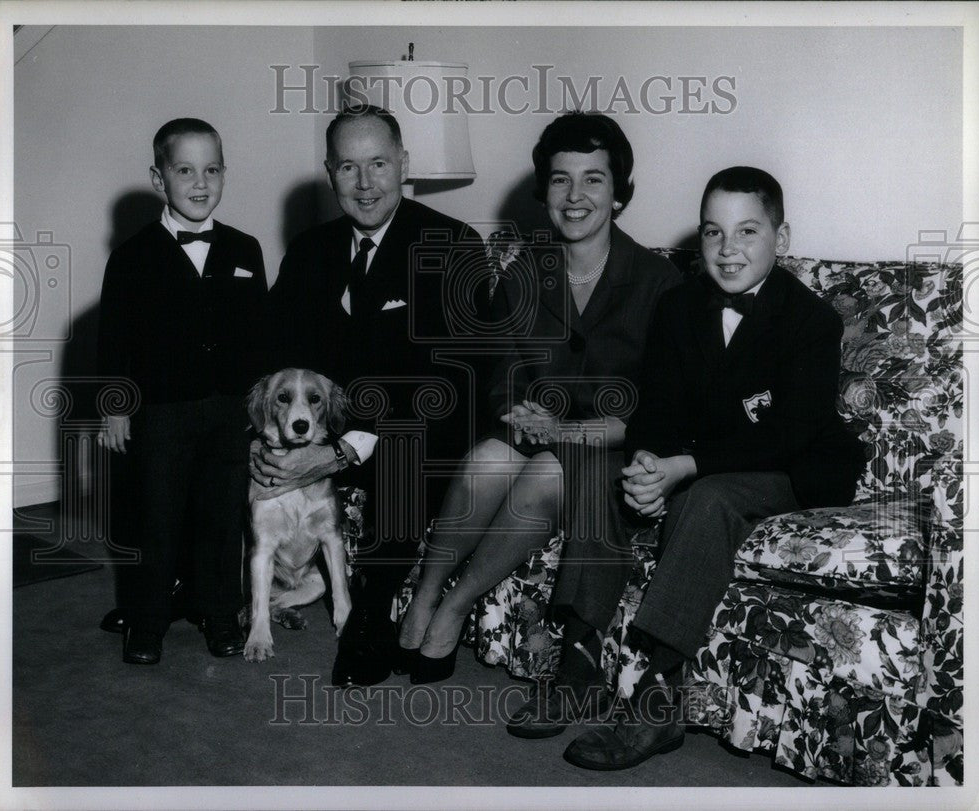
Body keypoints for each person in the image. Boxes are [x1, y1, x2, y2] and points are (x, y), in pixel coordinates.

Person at [559, 166, 867, 770]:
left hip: (792, 466)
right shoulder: (679, 305)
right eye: (712, 233)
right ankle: (578, 656)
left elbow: (789, 434)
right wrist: (649, 463)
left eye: (747, 232)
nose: (728, 251)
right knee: (601, 473)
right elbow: (658, 405)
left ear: (780, 240)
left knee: (709, 498)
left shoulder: (812, 320)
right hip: (699, 459)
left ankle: (657, 694)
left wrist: (684, 468)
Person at [398, 112, 681, 686]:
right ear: (544, 190)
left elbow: (661, 403)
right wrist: (518, 411)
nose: (575, 196)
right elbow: (503, 372)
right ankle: (425, 594)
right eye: (560, 179)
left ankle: (456, 607)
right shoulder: (525, 269)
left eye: (593, 179)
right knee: (487, 458)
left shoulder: (660, 282)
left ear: (619, 194)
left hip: (608, 445)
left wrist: (569, 429)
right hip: (535, 431)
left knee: (547, 472)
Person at [252, 105, 490, 687]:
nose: (365, 184)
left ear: (404, 165)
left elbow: (451, 384)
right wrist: (269, 439)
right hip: (328, 425)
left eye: (379, 164)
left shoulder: (450, 244)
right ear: (330, 172)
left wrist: (341, 453)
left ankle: (372, 611)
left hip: (420, 430)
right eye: (349, 168)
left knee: (404, 452)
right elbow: (273, 356)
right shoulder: (310, 250)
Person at [97, 118, 269, 664]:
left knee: (221, 520)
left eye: (212, 169)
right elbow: (113, 343)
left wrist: (259, 409)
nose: (200, 183)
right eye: (185, 170)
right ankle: (146, 624)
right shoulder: (131, 257)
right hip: (161, 414)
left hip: (228, 412)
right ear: (158, 178)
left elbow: (258, 339)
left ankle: (221, 616)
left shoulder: (246, 249)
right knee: (159, 520)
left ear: (224, 173)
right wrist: (116, 410)